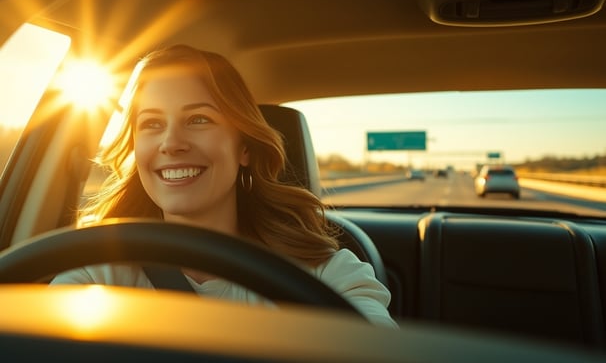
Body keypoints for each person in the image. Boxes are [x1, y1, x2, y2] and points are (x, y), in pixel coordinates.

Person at [51, 44, 398, 328]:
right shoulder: (98, 266)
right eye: (152, 123)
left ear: (244, 147)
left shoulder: (322, 273)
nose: (171, 143)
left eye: (198, 119)